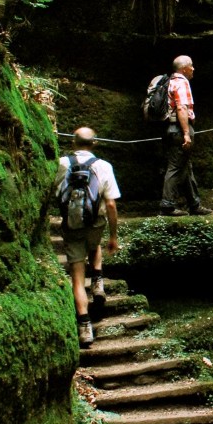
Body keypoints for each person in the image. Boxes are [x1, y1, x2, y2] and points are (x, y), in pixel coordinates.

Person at [53, 127, 121, 348]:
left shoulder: (62, 163)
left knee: (77, 276)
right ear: (95, 143)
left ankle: (84, 327)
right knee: (95, 246)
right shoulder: (103, 166)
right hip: (96, 222)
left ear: (73, 143)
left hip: (72, 225)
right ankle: (99, 281)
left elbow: (52, 191)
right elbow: (110, 204)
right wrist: (113, 236)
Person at [159, 55, 213, 216]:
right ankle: (167, 206)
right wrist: (186, 134)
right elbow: (182, 108)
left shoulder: (170, 82)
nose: (193, 69)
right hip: (179, 128)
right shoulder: (182, 82)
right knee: (175, 167)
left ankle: (194, 204)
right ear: (184, 69)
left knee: (185, 166)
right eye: (191, 66)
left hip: (170, 129)